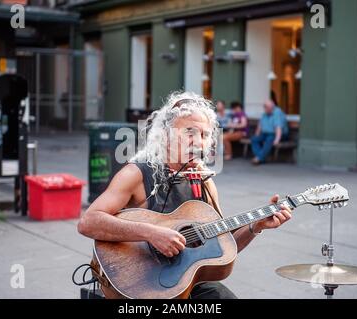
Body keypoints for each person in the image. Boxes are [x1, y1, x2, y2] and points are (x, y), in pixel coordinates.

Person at [77, 91, 292, 299]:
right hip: (139, 283)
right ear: (165, 135)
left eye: (204, 135)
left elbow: (222, 247)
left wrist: (255, 227)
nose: (198, 142)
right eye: (190, 132)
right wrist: (151, 233)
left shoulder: (205, 183)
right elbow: (88, 222)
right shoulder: (137, 174)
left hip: (187, 282)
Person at [251, 99, 289, 165]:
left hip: (279, 134)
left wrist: (277, 140)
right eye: (266, 108)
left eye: (270, 108)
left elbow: (278, 128)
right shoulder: (265, 114)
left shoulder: (277, 113)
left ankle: (259, 158)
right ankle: (260, 157)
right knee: (254, 139)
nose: (267, 110)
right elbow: (260, 125)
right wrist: (257, 134)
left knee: (270, 139)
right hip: (266, 133)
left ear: (272, 107)